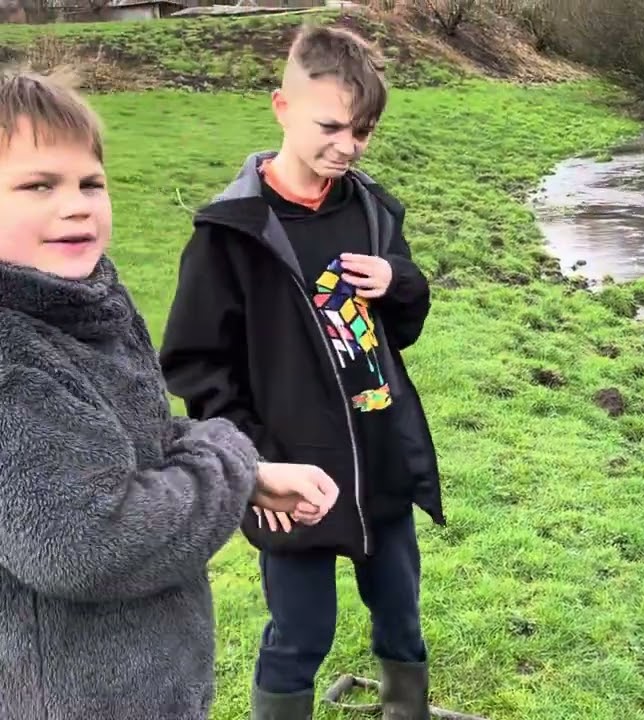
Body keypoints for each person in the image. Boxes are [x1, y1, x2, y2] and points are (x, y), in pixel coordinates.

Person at [0, 70, 340, 720]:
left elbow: (139, 437)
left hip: (147, 687)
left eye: (89, 183)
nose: (75, 205)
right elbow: (88, 542)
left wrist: (255, 473)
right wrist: (232, 463)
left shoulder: (83, 303)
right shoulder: (12, 363)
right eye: (38, 186)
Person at [158, 24, 443, 720]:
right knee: (301, 635)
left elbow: (401, 327)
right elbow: (196, 366)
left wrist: (399, 281)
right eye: (332, 126)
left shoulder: (373, 210)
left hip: (381, 462)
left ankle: (405, 709)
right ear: (282, 107)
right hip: (293, 478)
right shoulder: (230, 235)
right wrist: (254, 466)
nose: (348, 146)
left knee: (402, 621)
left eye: (364, 131)